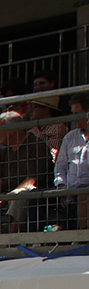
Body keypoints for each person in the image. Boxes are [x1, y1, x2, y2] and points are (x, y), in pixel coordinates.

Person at [55, 93, 89, 229]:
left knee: (83, 197)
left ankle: (82, 239)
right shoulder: (70, 137)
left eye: (77, 114)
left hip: (86, 189)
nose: (74, 118)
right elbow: (60, 165)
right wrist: (61, 186)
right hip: (70, 189)